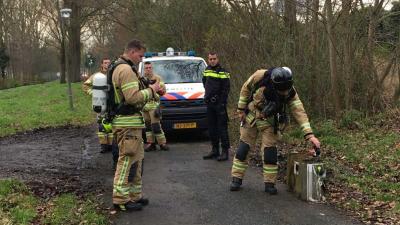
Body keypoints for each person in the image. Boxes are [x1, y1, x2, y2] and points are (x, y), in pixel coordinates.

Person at [230, 67, 321, 194]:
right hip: (252, 115)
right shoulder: (260, 76)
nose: (284, 93)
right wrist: (240, 110)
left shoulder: (290, 92)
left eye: (286, 90)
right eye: (281, 90)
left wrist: (309, 135)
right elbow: (245, 88)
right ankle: (236, 178)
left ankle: (269, 183)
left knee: (270, 152)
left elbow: (299, 111)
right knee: (243, 148)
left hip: (270, 121)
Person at [110, 39, 160, 211]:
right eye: (140, 55)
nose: (141, 59)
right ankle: (120, 199)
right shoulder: (125, 70)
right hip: (127, 123)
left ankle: (134, 196)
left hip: (131, 122)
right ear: (132, 52)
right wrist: (152, 90)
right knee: (126, 160)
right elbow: (132, 98)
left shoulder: (121, 67)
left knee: (137, 160)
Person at [202, 52, 231, 161]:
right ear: (208, 60)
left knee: (222, 128)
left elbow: (226, 88)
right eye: (210, 59)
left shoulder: (223, 71)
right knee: (211, 128)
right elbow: (204, 83)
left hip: (220, 104)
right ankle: (214, 150)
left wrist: (221, 102)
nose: (212, 61)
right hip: (210, 104)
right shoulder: (207, 70)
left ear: (218, 59)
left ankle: (225, 152)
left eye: (214, 58)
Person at [82, 58, 112, 153]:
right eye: (105, 63)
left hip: (111, 103)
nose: (107, 64)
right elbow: (85, 85)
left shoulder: (113, 74)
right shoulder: (96, 76)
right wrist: (93, 93)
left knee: (111, 124)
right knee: (101, 124)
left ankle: (111, 144)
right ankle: (104, 145)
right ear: (102, 65)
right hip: (100, 103)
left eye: (108, 63)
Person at [142, 62, 169, 152]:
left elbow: (163, 91)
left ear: (152, 68)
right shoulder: (141, 79)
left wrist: (158, 90)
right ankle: (151, 143)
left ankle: (162, 143)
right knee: (148, 126)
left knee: (156, 126)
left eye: (150, 67)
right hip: (144, 107)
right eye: (146, 68)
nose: (148, 69)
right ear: (144, 69)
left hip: (154, 105)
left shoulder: (157, 78)